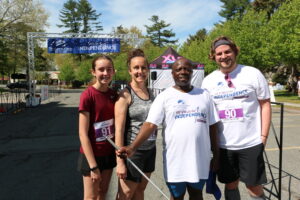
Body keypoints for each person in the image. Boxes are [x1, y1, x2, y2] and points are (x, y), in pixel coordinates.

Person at [118, 58, 220, 200]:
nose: (183, 72)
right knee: (176, 196)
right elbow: (150, 124)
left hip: (199, 159)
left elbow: (213, 126)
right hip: (175, 161)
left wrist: (216, 155)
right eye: (178, 69)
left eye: (187, 69)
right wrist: (132, 147)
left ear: (192, 72)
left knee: (197, 195)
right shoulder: (164, 97)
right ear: (172, 74)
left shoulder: (204, 95)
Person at [201, 36, 271, 200]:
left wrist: (263, 138)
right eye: (219, 54)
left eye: (227, 52)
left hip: (251, 143)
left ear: (235, 52)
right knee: (230, 184)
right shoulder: (208, 81)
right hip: (225, 146)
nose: (224, 56)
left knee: (253, 186)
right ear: (214, 56)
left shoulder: (252, 73)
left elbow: (265, 104)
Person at [115, 49, 157, 200]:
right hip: (133, 152)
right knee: (126, 194)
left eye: (143, 67)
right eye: (136, 68)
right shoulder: (125, 95)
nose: (140, 71)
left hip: (150, 150)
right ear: (130, 70)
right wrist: (120, 162)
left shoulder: (152, 92)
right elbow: (118, 130)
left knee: (140, 189)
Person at [78, 55, 117, 200]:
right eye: (101, 69)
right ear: (93, 72)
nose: (105, 73)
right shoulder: (87, 95)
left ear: (113, 72)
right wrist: (93, 166)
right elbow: (82, 133)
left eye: (109, 69)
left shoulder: (114, 95)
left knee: (103, 193)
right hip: (91, 156)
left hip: (108, 153)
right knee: (91, 197)